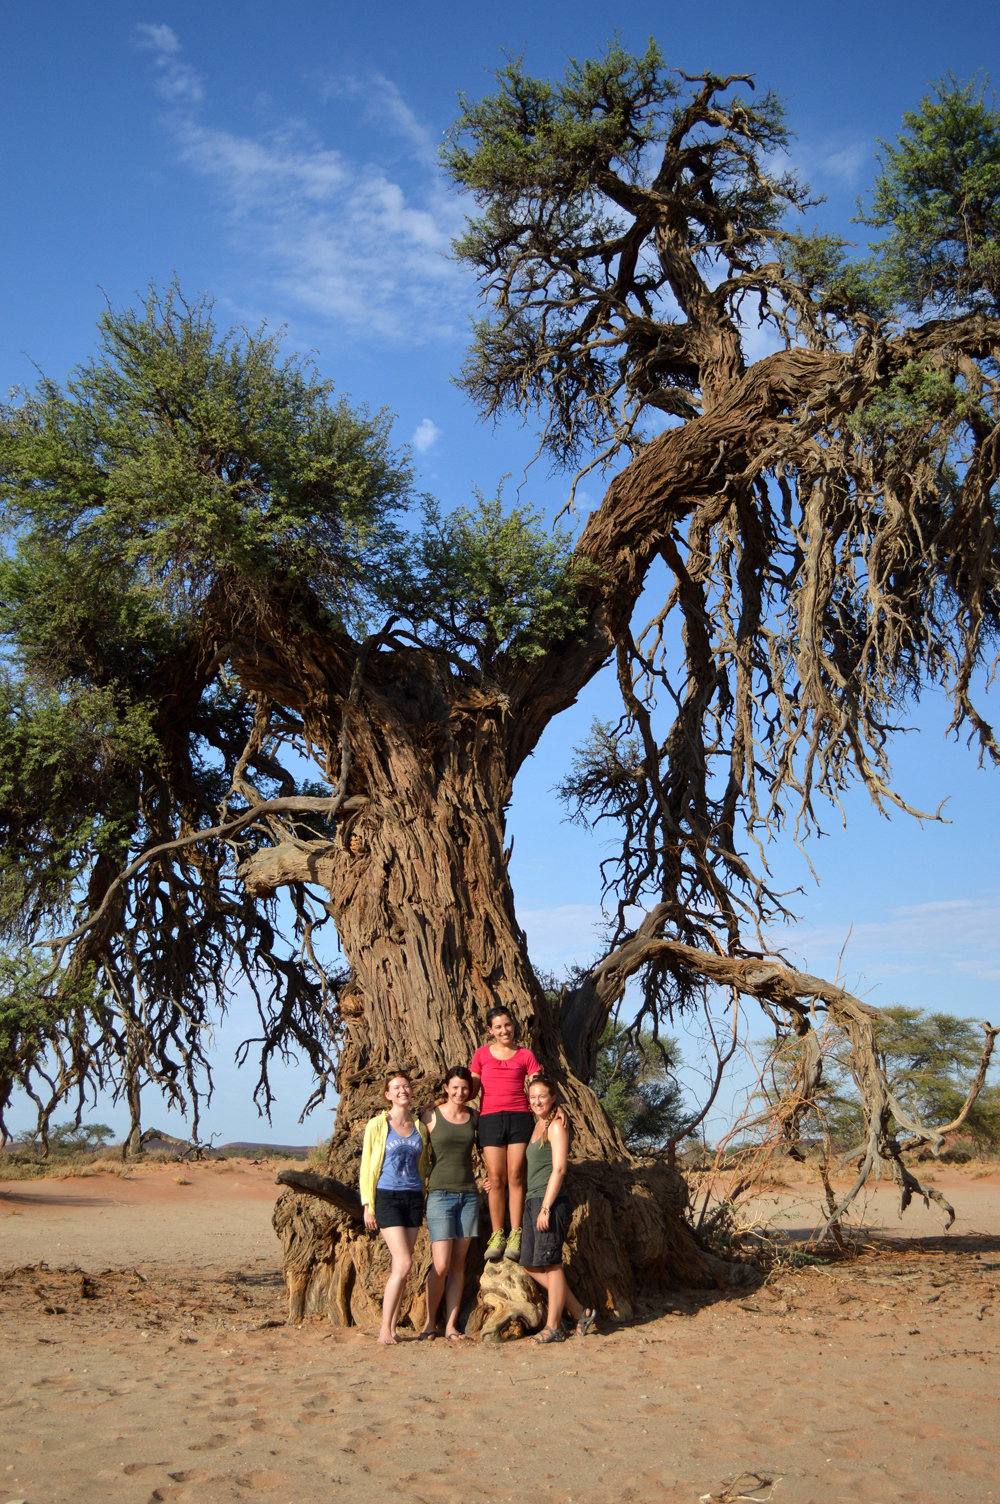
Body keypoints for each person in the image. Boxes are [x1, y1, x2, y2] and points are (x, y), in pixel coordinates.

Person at [521, 1073, 596, 1344]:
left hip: (550, 1202)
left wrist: (546, 1207)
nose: (537, 1101)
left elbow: (560, 1168)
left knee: (552, 1265)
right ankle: (579, 1311)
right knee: (530, 1263)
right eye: (533, 1097)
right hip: (532, 1200)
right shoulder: (536, 1125)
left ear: (553, 1098)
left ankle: (553, 1327)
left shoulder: (556, 1125)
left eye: (543, 1096)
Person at [360, 1070, 430, 1345]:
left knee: (400, 1267)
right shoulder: (377, 1125)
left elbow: (422, 1165)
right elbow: (366, 1166)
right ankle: (383, 1330)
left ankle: (392, 1327)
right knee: (404, 1262)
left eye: (406, 1086)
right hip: (386, 1197)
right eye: (396, 1087)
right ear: (388, 1095)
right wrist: (368, 1205)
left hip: (413, 1197)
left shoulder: (420, 1127)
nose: (402, 1090)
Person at [470, 1005, 541, 1263]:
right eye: (498, 1027)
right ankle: (497, 1234)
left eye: (507, 1025)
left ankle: (516, 1234)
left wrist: (553, 1110)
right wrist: (443, 1102)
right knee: (496, 1178)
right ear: (490, 1031)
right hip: (489, 1118)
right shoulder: (481, 1055)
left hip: (519, 1117)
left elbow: (538, 1086)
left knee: (515, 1176)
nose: (504, 1030)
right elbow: (471, 1089)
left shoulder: (526, 1055)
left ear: (514, 1025)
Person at [419, 1065, 480, 1341]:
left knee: (458, 1264)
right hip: (440, 1195)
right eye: (454, 1087)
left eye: (464, 1087)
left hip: (468, 1196)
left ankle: (451, 1326)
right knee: (441, 1264)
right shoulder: (430, 1115)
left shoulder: (474, 1118)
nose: (460, 1092)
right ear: (446, 1087)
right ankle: (429, 1322)